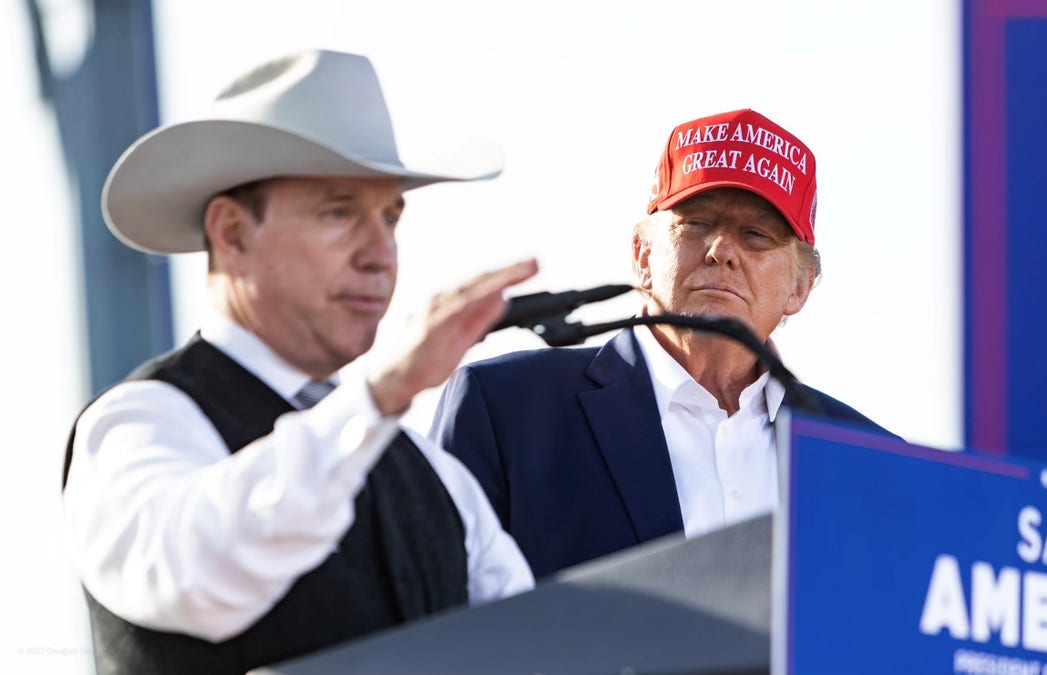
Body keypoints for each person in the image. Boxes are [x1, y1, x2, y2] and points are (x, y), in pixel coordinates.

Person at [61, 49, 538, 675]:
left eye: (390, 217)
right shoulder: (140, 422)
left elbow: (529, 647)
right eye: (339, 213)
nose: (380, 255)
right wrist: (377, 396)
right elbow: (195, 577)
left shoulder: (430, 473)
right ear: (231, 232)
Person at [430, 108, 897, 579]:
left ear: (800, 287)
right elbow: (429, 620)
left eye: (755, 234)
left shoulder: (874, 461)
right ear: (643, 255)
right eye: (695, 223)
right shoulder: (507, 410)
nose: (722, 251)